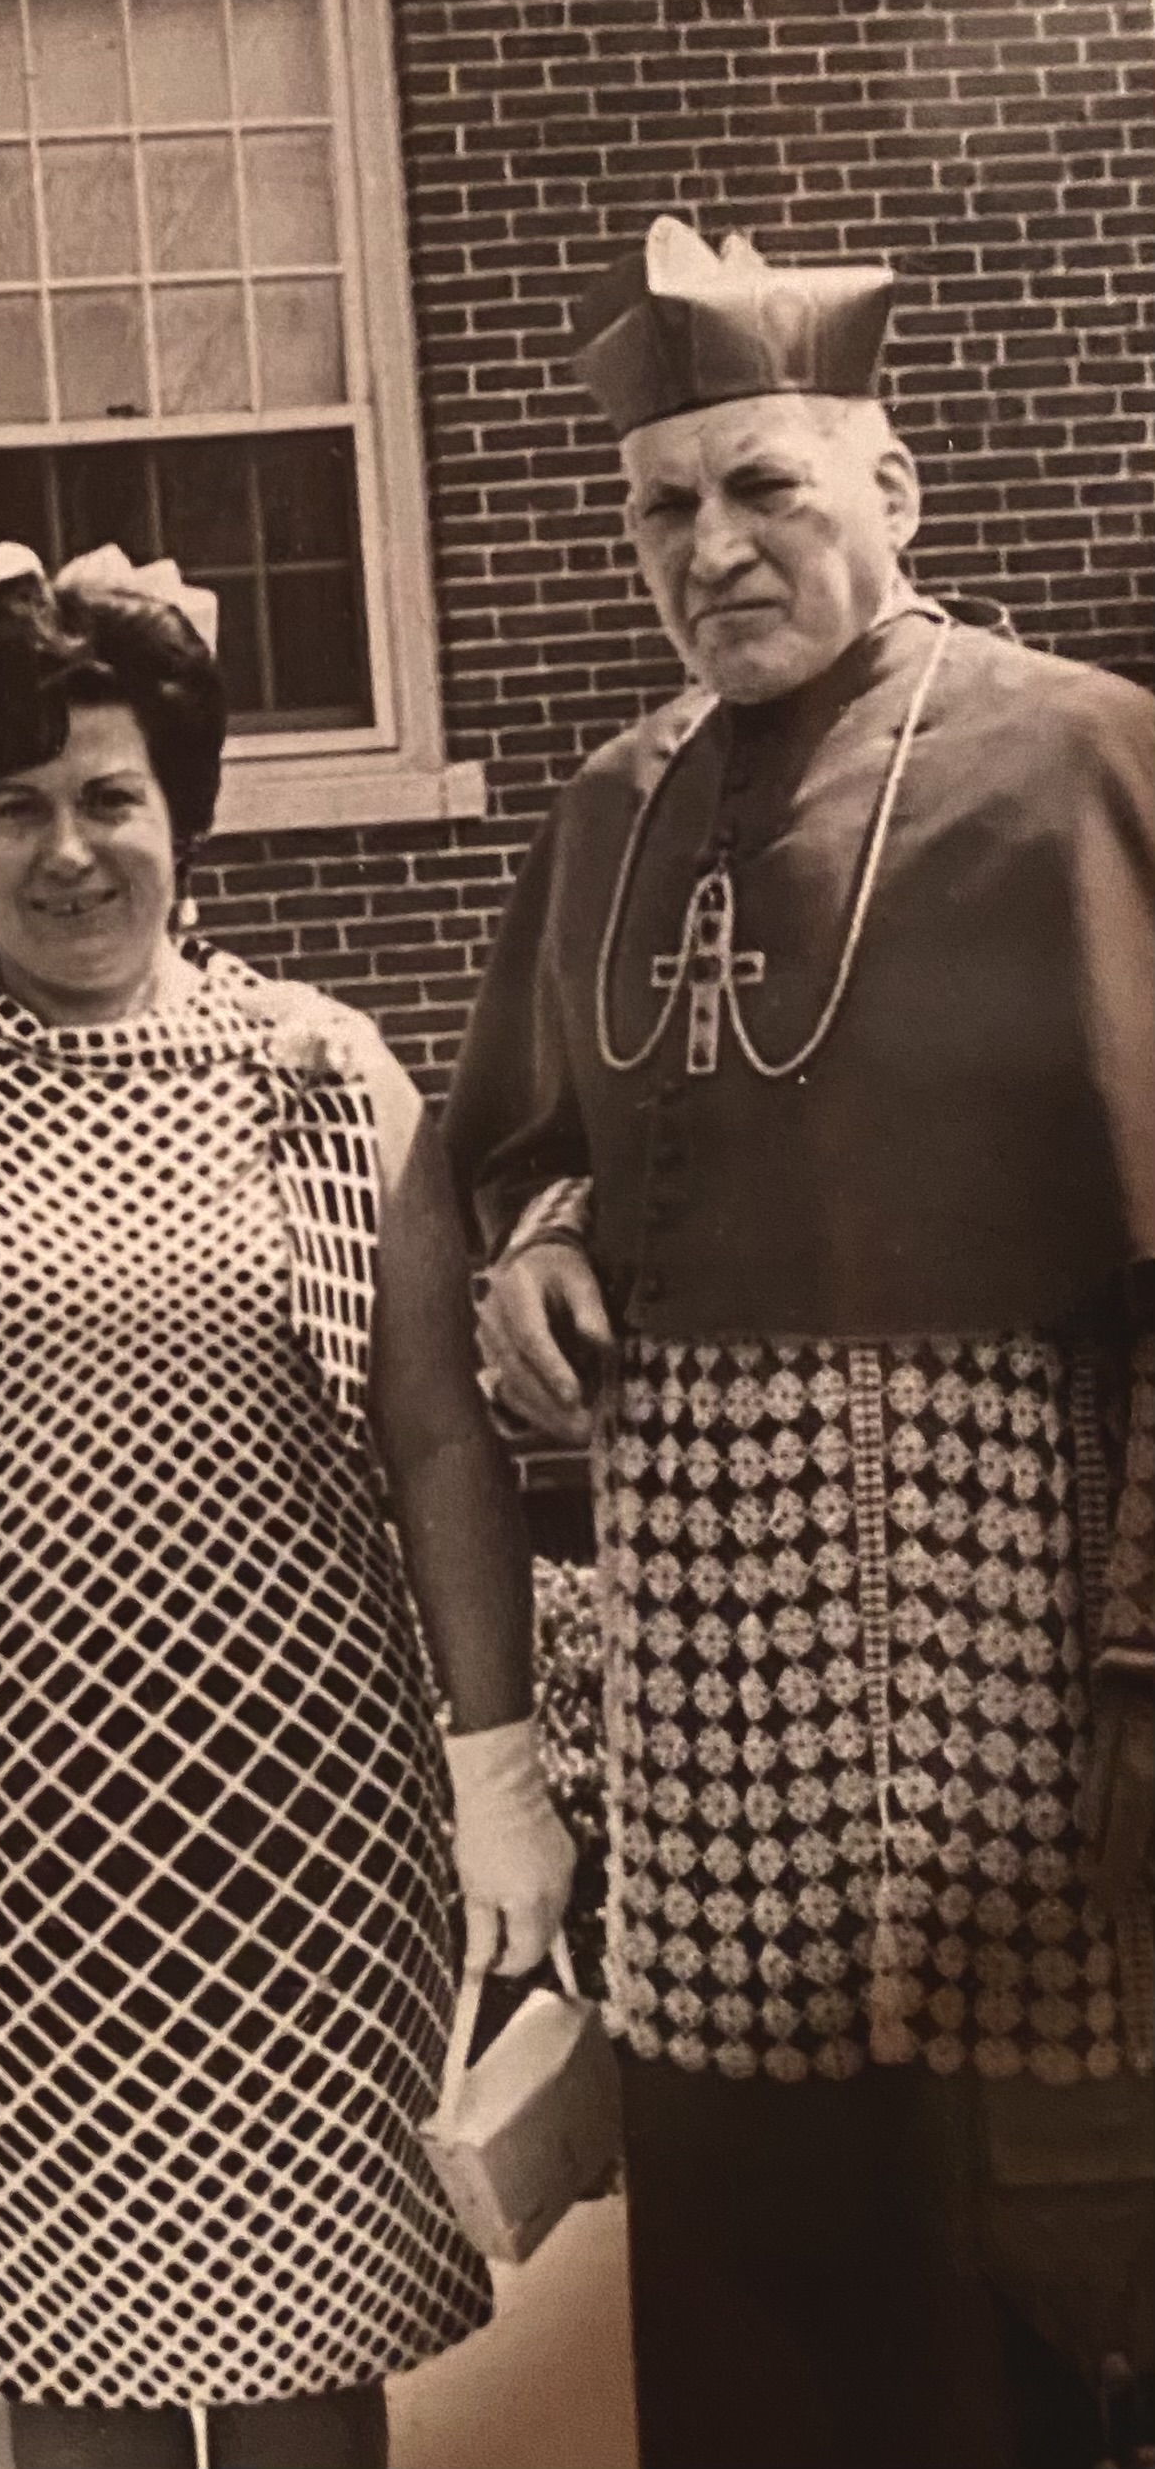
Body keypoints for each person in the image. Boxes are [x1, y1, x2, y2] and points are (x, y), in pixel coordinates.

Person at [0, 541, 573, 2469]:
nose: (65, 849)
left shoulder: (321, 1074)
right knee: (73, 2386)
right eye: (9, 804)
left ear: (180, 811)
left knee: (305, 2374)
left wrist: (497, 1772)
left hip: (299, 1831)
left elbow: (439, 1442)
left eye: (107, 795)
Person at [444, 216, 1155, 2469]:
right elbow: (527, 1142)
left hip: (1019, 1685)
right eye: (659, 506)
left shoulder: (1086, 761)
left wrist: (1141, 1660)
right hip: (712, 1715)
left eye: (761, 484)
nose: (710, 547)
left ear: (891, 486)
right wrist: (537, 1244)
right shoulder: (609, 809)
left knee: (1047, 2303)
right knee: (761, 2327)